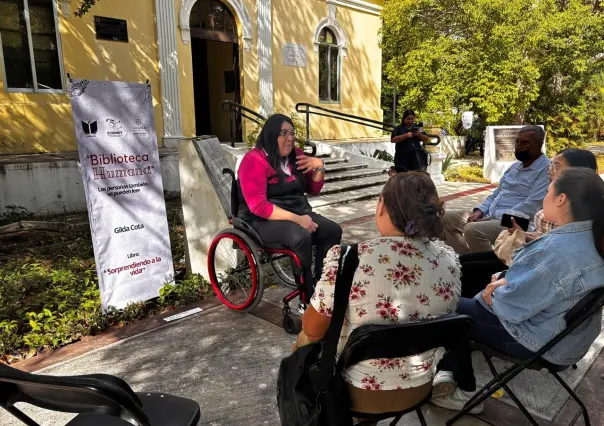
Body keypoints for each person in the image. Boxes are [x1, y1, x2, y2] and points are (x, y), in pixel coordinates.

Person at [432, 167, 604, 414]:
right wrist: (503, 280)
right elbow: (539, 285)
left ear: (561, 199)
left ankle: (465, 391)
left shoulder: (561, 248)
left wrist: (494, 290)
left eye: (548, 191)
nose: (544, 199)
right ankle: (449, 368)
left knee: (441, 307)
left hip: (537, 340)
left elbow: (509, 307)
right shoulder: (590, 237)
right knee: (466, 298)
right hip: (564, 338)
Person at [295, 172, 461, 423]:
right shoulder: (449, 260)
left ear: (381, 205)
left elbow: (313, 329)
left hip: (355, 392)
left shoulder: (348, 260)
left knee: (303, 337)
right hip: (420, 387)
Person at [458, 148, 598, 297]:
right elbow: (548, 239)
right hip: (533, 252)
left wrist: (504, 279)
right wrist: (521, 234)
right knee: (462, 262)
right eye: (551, 165)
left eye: (556, 166)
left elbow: (553, 251)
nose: (550, 170)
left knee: (468, 268)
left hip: (537, 264)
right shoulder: (516, 168)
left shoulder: (574, 209)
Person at [237, 114, 342, 300]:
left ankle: (322, 285)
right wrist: (298, 219)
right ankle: (307, 298)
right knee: (301, 238)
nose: (290, 138)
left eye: (292, 133)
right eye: (283, 133)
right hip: (262, 220)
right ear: (271, 135)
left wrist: (319, 167)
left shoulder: (297, 156)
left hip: (298, 211)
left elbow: (313, 189)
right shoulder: (254, 161)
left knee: (332, 231)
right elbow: (259, 206)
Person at [442, 125, 551, 254]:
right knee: (443, 217)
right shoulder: (514, 167)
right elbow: (496, 195)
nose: (519, 146)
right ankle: (463, 261)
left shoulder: (546, 169)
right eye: (517, 141)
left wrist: (495, 217)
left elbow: (533, 205)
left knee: (473, 229)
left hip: (519, 222)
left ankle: (487, 269)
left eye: (525, 142)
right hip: (492, 216)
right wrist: (480, 212)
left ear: (539, 144)